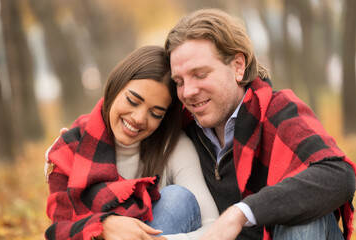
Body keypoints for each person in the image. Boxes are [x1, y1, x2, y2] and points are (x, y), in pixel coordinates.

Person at [164, 8, 356, 240]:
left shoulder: (276, 111)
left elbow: (338, 175)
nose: (189, 91)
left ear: (237, 66)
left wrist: (241, 212)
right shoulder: (184, 130)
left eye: (201, 74)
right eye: (179, 81)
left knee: (303, 213)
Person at [44, 45, 219, 240]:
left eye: (155, 113)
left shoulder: (174, 147)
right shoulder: (75, 145)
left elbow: (213, 228)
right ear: (116, 87)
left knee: (178, 199)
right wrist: (104, 226)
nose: (138, 118)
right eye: (133, 101)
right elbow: (59, 229)